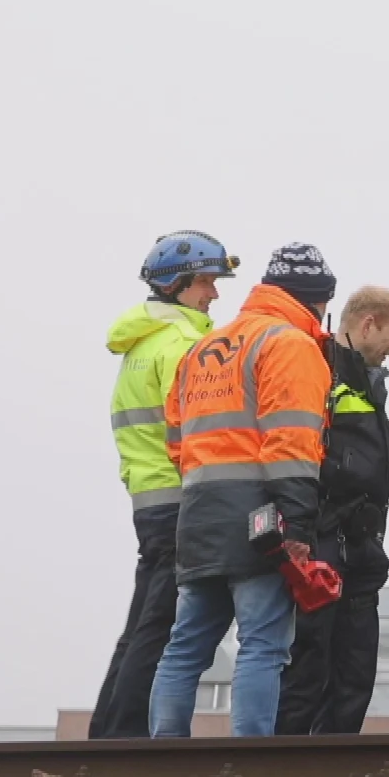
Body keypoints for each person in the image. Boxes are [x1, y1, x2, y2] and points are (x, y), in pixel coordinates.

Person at [149, 244, 336, 738]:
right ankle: (249, 758)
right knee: (263, 643)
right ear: (317, 301)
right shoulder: (289, 344)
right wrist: (296, 526)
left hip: (198, 512)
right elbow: (292, 442)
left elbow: (174, 441)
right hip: (260, 516)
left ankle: (161, 753)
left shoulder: (203, 350)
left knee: (186, 644)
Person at [89, 231, 240, 740]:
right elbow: (201, 430)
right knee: (161, 629)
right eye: (205, 282)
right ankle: (125, 741)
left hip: (150, 500)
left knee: (140, 629)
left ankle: (107, 736)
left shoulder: (142, 343)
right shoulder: (182, 346)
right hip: (181, 499)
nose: (214, 293)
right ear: (176, 284)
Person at [277, 286, 389, 735]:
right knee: (309, 660)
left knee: (356, 666)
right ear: (368, 323)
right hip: (322, 540)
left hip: (362, 548)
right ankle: (285, 766)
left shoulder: (367, 383)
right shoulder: (318, 370)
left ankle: (336, 767)